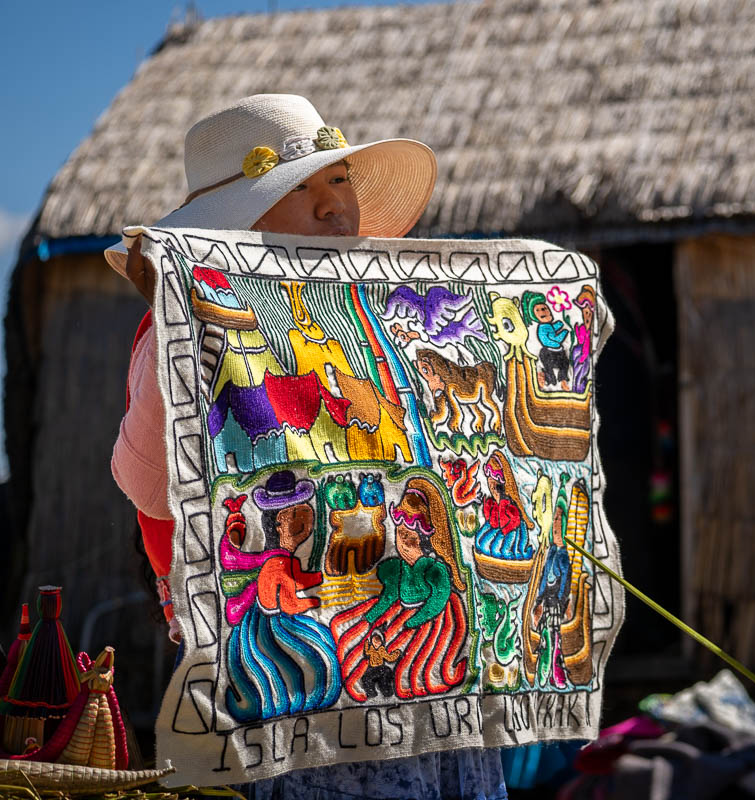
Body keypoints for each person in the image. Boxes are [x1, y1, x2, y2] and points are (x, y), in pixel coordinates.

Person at [109, 94, 506, 800]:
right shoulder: (188, 331)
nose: (334, 208)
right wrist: (180, 328)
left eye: (341, 180)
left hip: (423, 649)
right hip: (298, 663)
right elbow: (149, 487)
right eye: (299, 190)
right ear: (239, 223)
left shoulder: (383, 321)